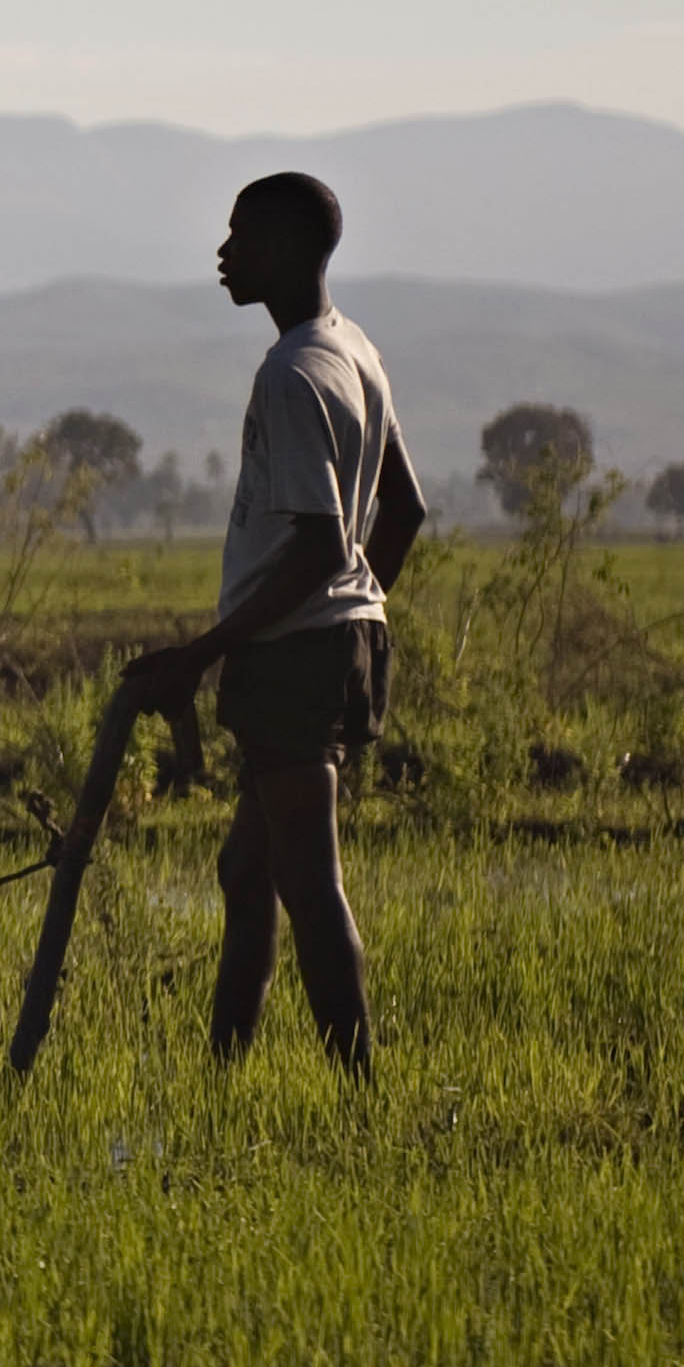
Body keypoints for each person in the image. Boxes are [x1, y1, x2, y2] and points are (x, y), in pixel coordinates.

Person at [116, 172, 427, 1074]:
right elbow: (400, 512)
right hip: (323, 644)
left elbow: (324, 548)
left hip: (292, 657)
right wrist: (360, 619)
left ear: (288, 250)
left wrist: (204, 653)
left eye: (241, 238)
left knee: (310, 887)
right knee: (247, 876)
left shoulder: (293, 374)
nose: (223, 254)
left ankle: (363, 1101)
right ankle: (222, 1079)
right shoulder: (351, 347)